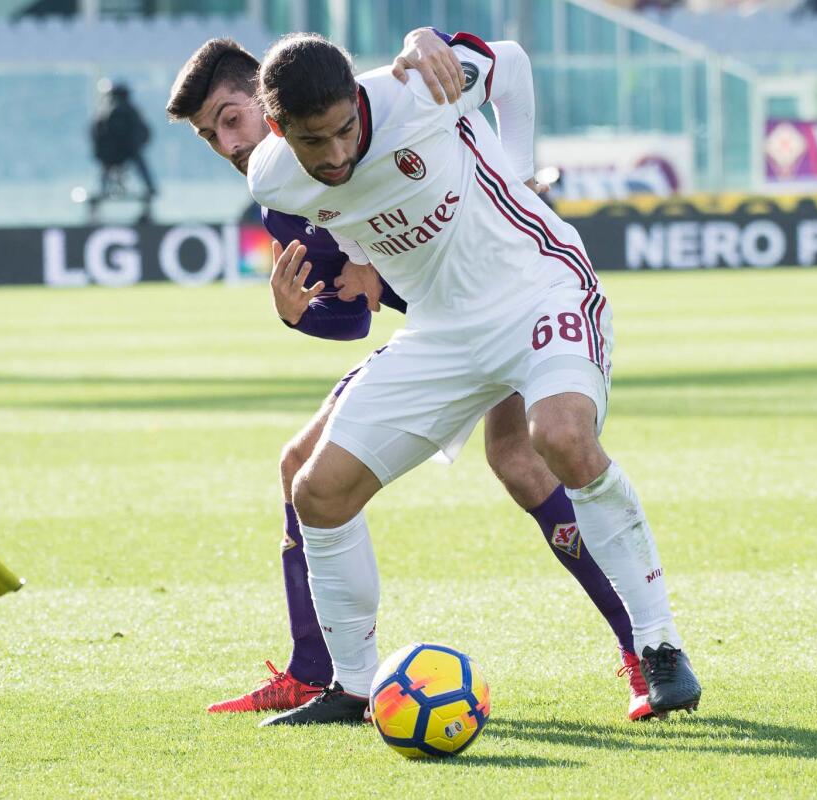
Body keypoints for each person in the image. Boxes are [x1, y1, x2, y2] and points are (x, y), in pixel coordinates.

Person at [165, 33, 656, 722]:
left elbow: (489, 72)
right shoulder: (283, 187)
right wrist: (298, 318)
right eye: (207, 132)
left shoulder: (341, 137)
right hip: (438, 331)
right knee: (304, 468)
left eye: (230, 116)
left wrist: (505, 158)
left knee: (519, 458)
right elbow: (352, 310)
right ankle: (323, 672)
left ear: (265, 101)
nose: (225, 140)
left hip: (502, 295)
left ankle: (644, 649)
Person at [91, 81, 156, 220]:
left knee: (109, 169)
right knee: (136, 162)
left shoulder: (107, 111)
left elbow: (97, 134)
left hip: (118, 154)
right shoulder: (127, 111)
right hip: (120, 154)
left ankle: (101, 190)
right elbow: (143, 132)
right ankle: (150, 187)